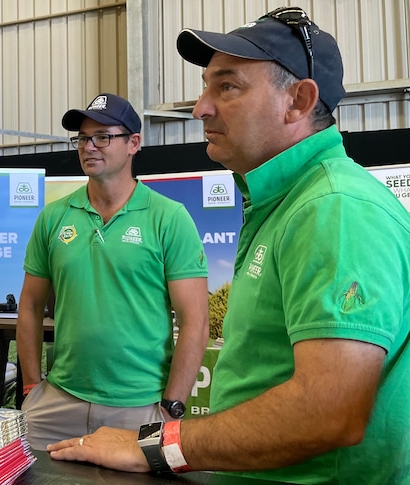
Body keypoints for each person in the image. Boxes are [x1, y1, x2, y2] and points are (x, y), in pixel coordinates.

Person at [47, 7, 410, 484]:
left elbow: (329, 411)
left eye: (227, 86)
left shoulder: (333, 209)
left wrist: (157, 445)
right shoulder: (286, 201)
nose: (200, 107)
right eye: (205, 86)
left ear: (298, 101)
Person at [16, 92, 210, 449]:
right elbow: (28, 306)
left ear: (133, 143)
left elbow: (195, 320)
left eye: (103, 137)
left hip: (140, 407)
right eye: (83, 138)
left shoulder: (168, 217)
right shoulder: (53, 217)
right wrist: (31, 385)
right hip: (56, 402)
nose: (89, 147)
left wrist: (172, 406)